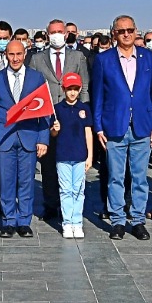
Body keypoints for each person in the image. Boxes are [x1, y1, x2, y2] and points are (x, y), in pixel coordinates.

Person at [91, 15, 152, 241]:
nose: (126, 34)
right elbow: (98, 96)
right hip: (115, 126)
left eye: (130, 30)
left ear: (136, 32)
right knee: (115, 176)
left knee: (140, 177)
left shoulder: (148, 58)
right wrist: (99, 127)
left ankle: (138, 220)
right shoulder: (104, 60)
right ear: (114, 33)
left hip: (142, 126)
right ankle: (117, 220)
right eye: (121, 31)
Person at [0, 39, 51, 238]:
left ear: (25, 55)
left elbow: (44, 111)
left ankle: (24, 221)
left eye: (18, 54)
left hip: (29, 137)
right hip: (4, 138)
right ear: (6, 55)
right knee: (6, 182)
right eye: (11, 54)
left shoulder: (36, 78)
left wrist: (43, 139)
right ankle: (8, 221)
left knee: (26, 182)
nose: (15, 58)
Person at [27, 19, 89, 224]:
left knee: (72, 164)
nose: (56, 35)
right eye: (52, 32)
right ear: (46, 35)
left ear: (66, 34)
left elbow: (85, 87)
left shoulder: (78, 56)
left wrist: (83, 113)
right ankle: (51, 204)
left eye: (59, 31)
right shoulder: (36, 58)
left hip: (72, 118)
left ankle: (71, 206)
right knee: (48, 166)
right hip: (48, 118)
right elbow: (32, 89)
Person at [51, 72, 94, 239]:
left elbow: (88, 132)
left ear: (80, 89)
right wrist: (55, 128)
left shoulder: (84, 109)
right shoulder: (57, 109)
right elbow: (53, 134)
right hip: (62, 156)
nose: (72, 92)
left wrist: (90, 156)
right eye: (69, 89)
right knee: (66, 190)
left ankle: (77, 222)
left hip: (80, 156)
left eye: (76, 89)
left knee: (78, 190)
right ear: (63, 89)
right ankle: (67, 223)